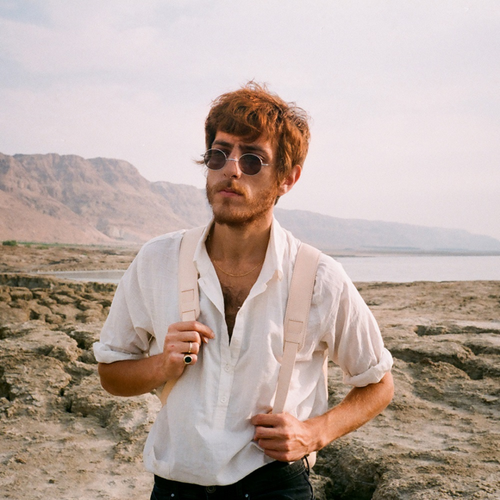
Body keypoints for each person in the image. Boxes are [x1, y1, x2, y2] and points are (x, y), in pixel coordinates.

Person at [94, 82, 394, 500]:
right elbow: (111, 373)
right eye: (219, 155)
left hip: (276, 487)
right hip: (176, 490)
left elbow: (379, 384)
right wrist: (162, 365)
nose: (231, 170)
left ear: (288, 178)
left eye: (252, 160)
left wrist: (314, 433)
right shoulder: (157, 260)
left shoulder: (319, 277)